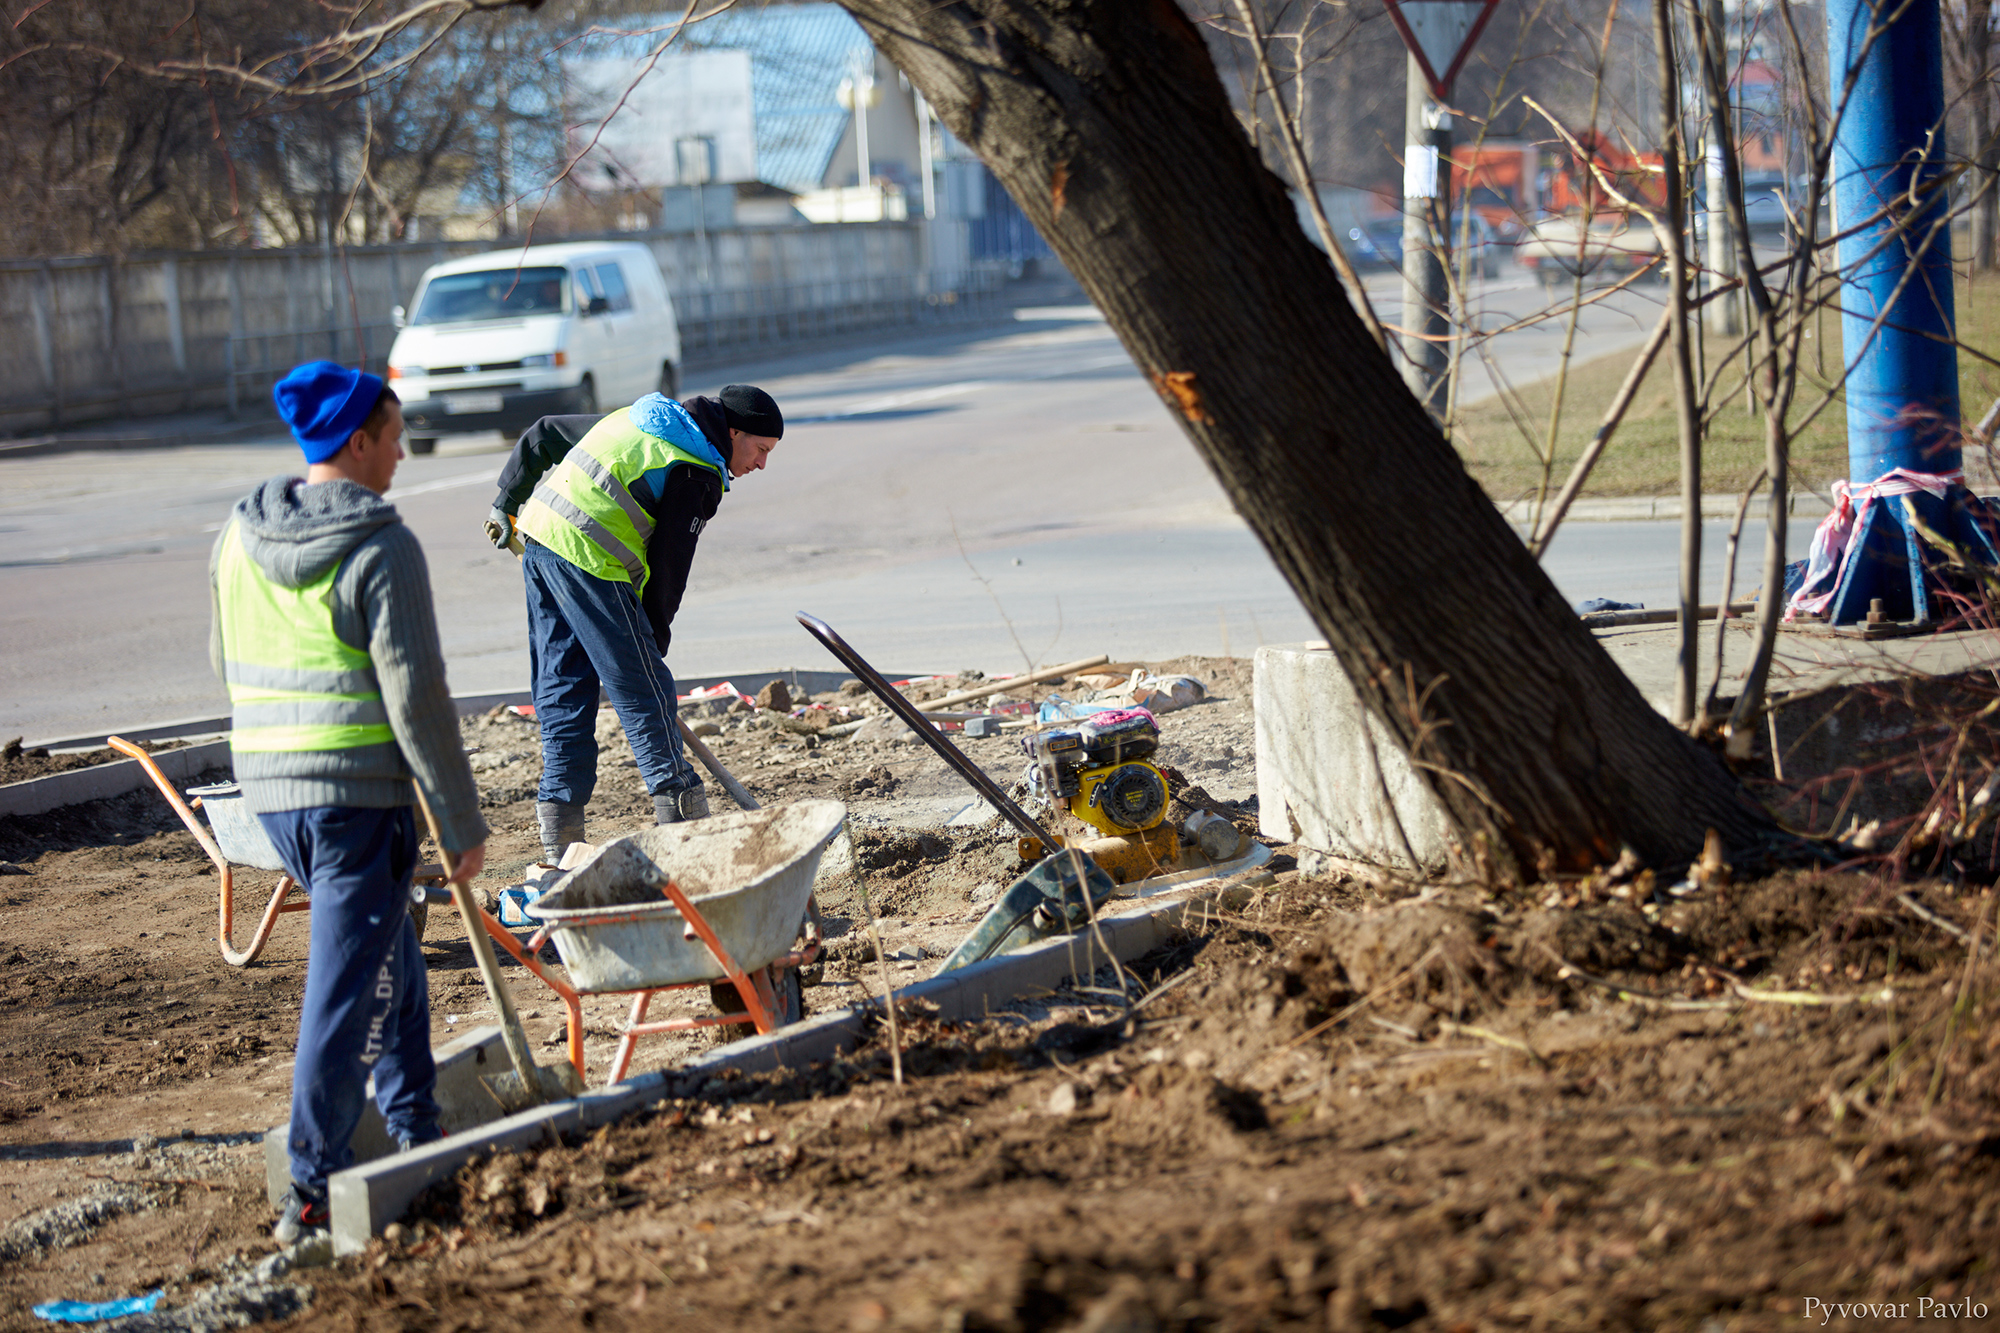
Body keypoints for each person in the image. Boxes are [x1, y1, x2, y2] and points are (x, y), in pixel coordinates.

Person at [210, 360, 488, 1244]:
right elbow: (420, 697)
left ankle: (417, 1125)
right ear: (358, 441)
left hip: (272, 796)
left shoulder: (240, 534)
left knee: (389, 949)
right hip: (355, 801)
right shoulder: (381, 547)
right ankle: (311, 1184)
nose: (405, 452)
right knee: (346, 991)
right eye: (397, 435)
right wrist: (458, 820)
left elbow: (223, 656)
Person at [488, 385, 783, 863]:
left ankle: (559, 845)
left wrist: (507, 500)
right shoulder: (696, 471)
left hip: (541, 539)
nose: (761, 464)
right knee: (644, 692)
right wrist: (648, 652)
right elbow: (668, 573)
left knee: (563, 690)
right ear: (733, 433)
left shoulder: (640, 420)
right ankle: (686, 826)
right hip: (588, 556)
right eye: (760, 450)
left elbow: (545, 434)